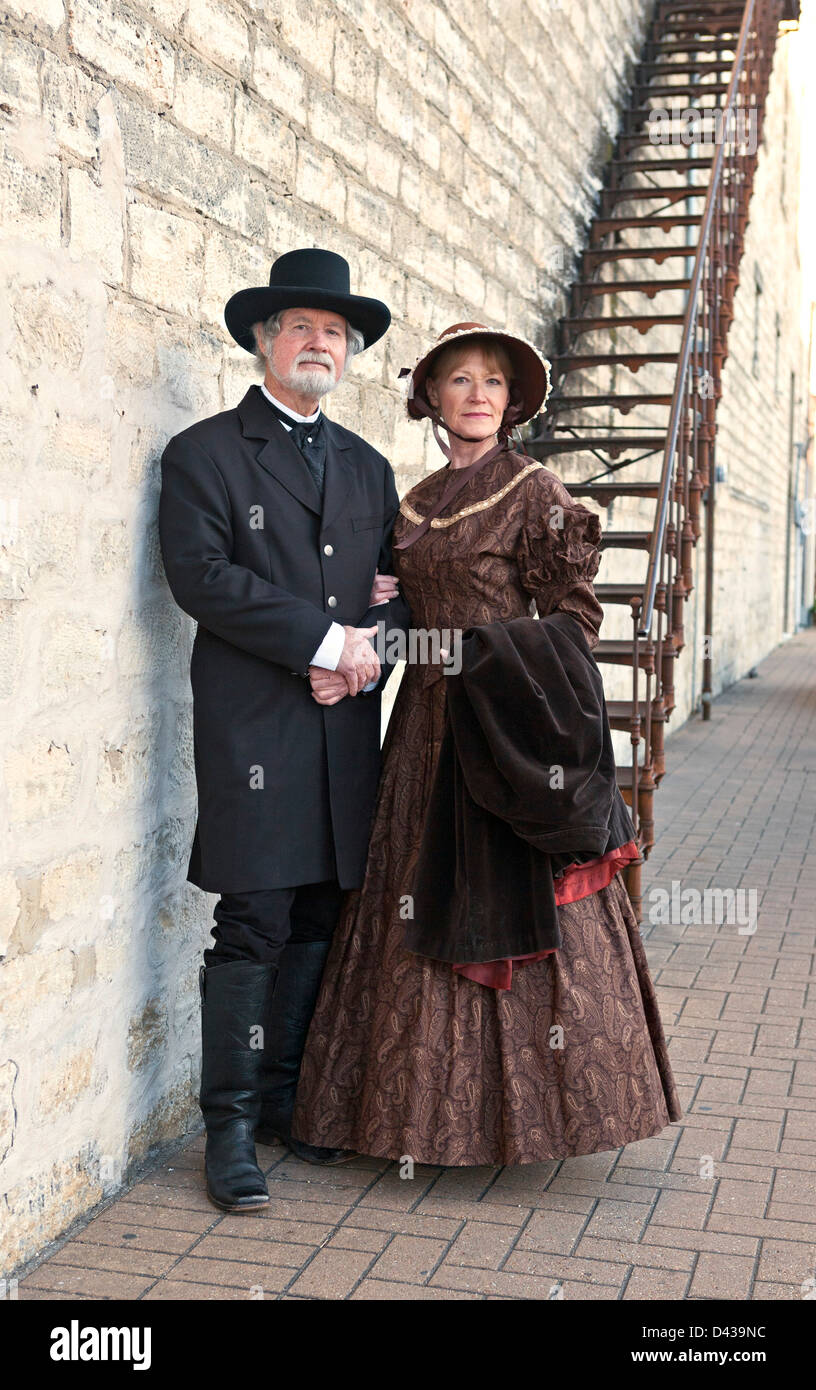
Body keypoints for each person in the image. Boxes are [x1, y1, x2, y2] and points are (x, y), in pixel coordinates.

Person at [293, 321, 682, 1166]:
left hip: (504, 735)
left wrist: (491, 653)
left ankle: (528, 1122)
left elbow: (576, 618)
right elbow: (398, 613)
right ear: (430, 396)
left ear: (511, 403)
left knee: (505, 900)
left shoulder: (537, 491)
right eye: (460, 380)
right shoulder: (414, 502)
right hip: (422, 736)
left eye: (493, 384)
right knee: (409, 894)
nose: (476, 395)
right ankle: (406, 1122)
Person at [158, 248, 410, 1210]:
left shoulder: (368, 465)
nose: (320, 343)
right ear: (264, 340)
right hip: (257, 724)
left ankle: (280, 1101)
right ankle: (226, 1131)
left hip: (343, 721)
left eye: (335, 333)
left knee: (318, 912)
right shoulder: (207, 451)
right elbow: (204, 580)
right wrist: (323, 638)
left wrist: (369, 651)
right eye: (301, 327)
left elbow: (397, 589)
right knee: (254, 918)